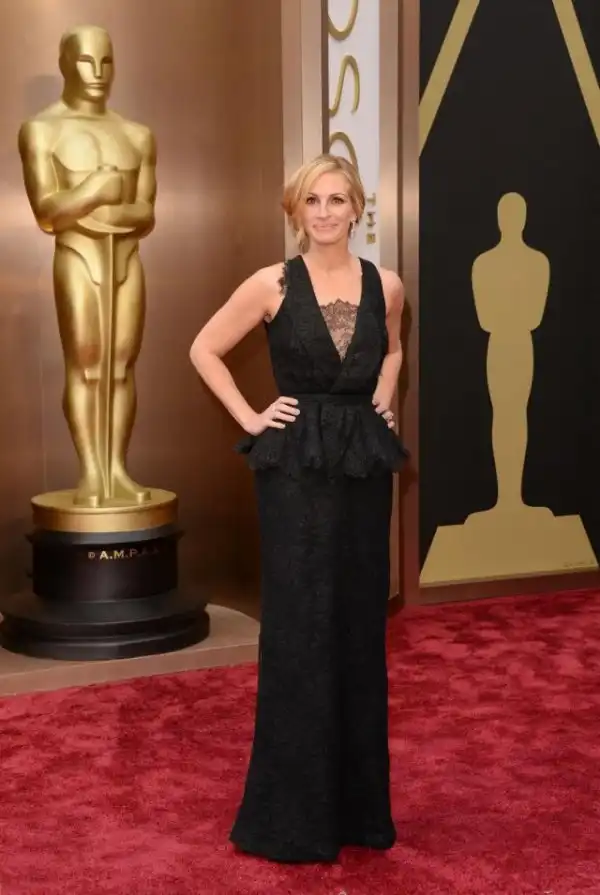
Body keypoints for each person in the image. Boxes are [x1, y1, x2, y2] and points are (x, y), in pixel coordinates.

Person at [189, 153, 408, 863]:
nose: (324, 212)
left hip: (362, 469)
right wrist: (251, 417)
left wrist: (386, 398)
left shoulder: (387, 284)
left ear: (358, 208)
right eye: (311, 200)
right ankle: (291, 817)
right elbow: (204, 349)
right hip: (294, 476)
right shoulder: (271, 283)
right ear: (295, 210)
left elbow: (393, 350)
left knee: (356, 626)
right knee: (300, 628)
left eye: (337, 199)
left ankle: (358, 813)